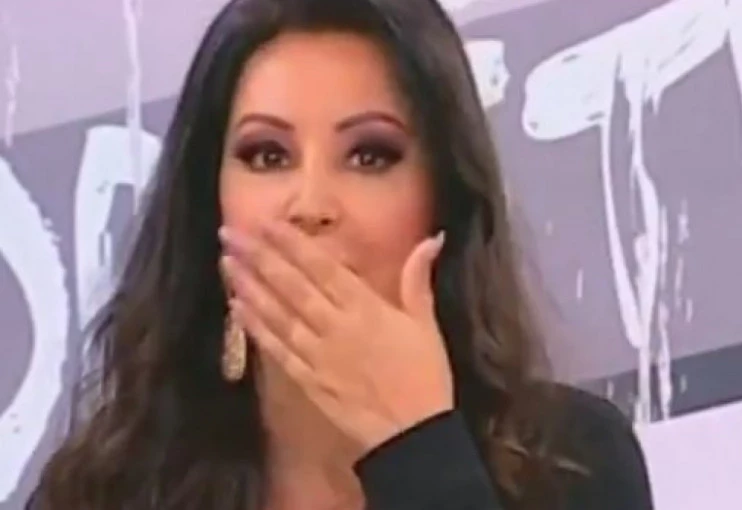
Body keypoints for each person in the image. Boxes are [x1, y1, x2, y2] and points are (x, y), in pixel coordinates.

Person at [29, 0, 654, 509]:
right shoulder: (104, 490)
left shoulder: (575, 466)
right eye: (267, 155)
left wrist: (418, 447)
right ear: (210, 201)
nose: (310, 205)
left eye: (369, 155)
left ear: (443, 199)